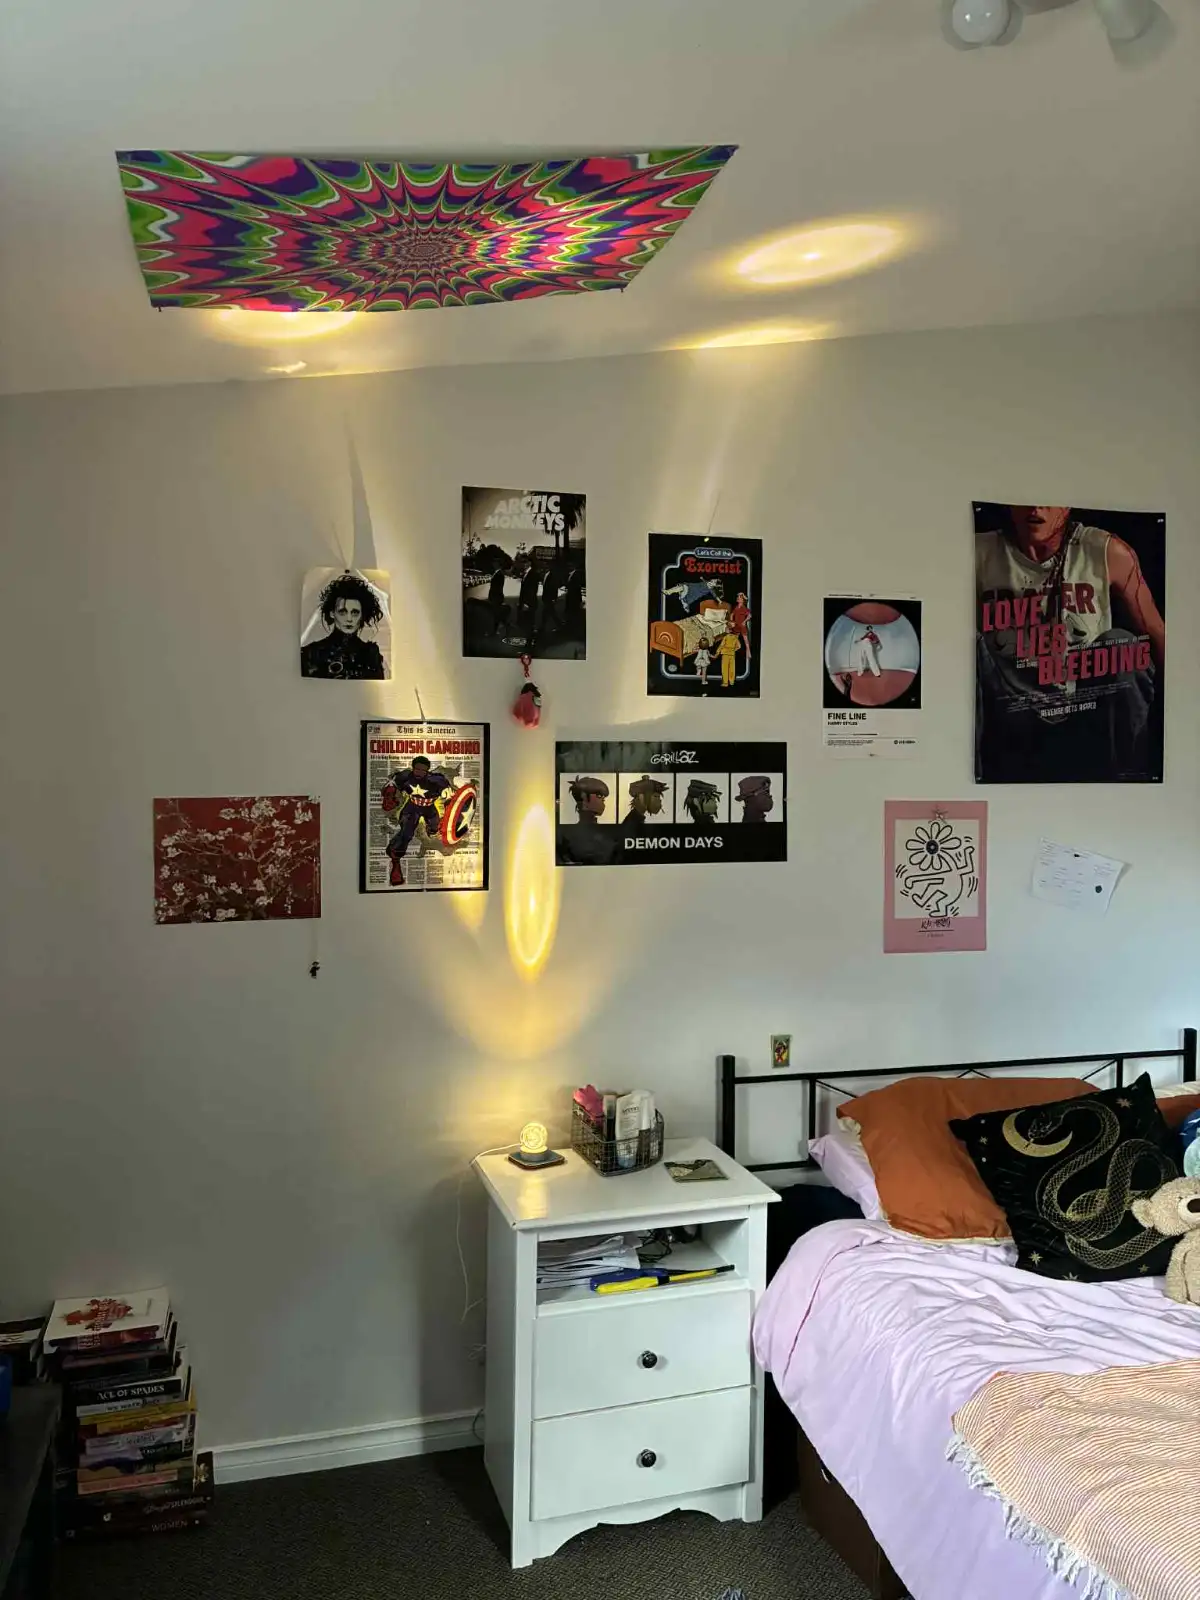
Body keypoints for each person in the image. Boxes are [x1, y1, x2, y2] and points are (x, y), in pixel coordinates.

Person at [976, 505, 1166, 782]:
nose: (1036, 507)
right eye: (1025, 496)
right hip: (1009, 707)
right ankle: (962, 781)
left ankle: (1129, 785)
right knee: (967, 645)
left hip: (1084, 705)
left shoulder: (1105, 551)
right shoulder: (978, 552)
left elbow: (1157, 633)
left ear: (1067, 506)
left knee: (1122, 646)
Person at [380, 755, 453, 886]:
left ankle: (430, 830)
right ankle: (395, 859)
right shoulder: (406, 776)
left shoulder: (436, 780)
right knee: (406, 834)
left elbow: (448, 790)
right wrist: (390, 792)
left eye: (423, 770)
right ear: (413, 768)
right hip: (412, 807)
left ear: (427, 771)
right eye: (417, 769)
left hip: (429, 807)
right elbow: (392, 783)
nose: (419, 773)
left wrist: (448, 794)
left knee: (434, 827)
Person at [301, 572, 386, 679]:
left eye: (355, 613)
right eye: (342, 612)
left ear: (362, 615)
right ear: (332, 613)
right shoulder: (311, 653)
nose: (349, 619)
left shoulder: (370, 655)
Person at [729, 592, 752, 661]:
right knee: (735, 639)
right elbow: (732, 614)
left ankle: (748, 652)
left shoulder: (743, 608)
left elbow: (749, 616)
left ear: (742, 600)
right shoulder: (736, 607)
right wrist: (732, 621)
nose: (738, 598)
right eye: (738, 597)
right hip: (736, 625)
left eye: (739, 598)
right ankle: (733, 651)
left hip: (741, 625)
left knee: (745, 640)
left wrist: (744, 622)